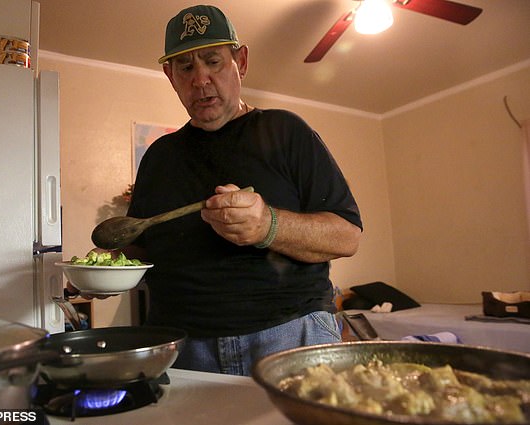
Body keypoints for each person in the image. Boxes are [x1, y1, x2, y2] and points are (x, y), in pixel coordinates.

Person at [82, 4, 363, 376]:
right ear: (171, 76)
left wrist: (267, 226)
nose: (200, 79)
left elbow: (347, 237)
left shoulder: (287, 132)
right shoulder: (159, 157)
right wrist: (105, 270)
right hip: (180, 345)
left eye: (213, 61)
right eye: (185, 67)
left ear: (240, 62)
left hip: (289, 334)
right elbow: (142, 246)